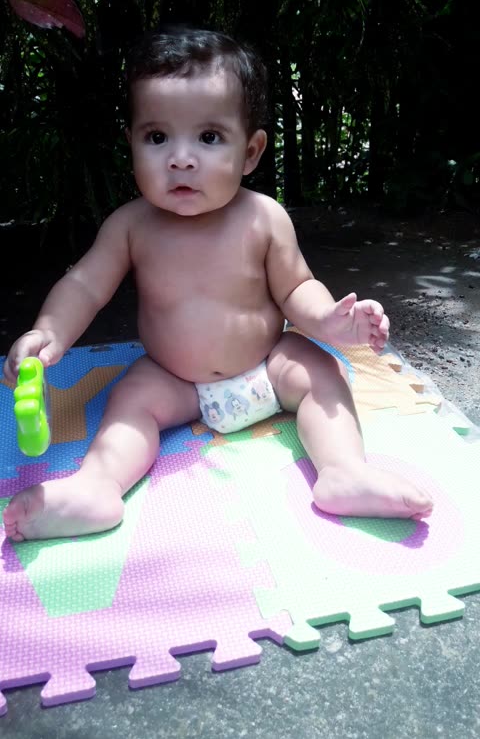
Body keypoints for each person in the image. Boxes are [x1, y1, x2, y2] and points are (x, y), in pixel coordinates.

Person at [2, 27, 433, 542]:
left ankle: (344, 472)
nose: (181, 158)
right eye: (157, 137)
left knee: (322, 371)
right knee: (129, 400)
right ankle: (97, 486)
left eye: (208, 138)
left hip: (267, 368)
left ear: (250, 152)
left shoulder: (264, 218)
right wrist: (49, 332)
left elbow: (297, 287)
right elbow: (85, 286)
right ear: (131, 142)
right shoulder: (131, 226)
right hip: (175, 382)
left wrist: (330, 321)